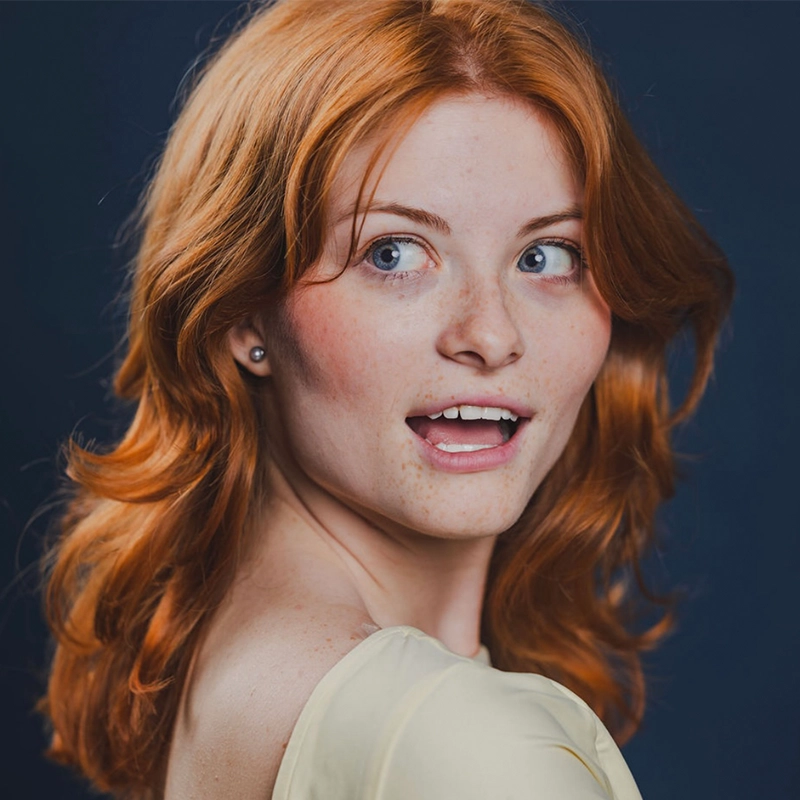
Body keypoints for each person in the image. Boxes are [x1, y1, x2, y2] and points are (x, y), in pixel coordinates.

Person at [40, 0, 734, 797]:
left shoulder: (223, 662)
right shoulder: (458, 744)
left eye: (547, 255)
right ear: (241, 312)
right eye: (394, 252)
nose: (491, 333)